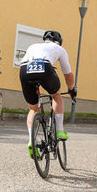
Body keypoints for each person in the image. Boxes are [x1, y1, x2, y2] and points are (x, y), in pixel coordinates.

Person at [18, 30, 77, 158]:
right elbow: (68, 76)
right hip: (44, 65)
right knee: (56, 96)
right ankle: (60, 130)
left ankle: (31, 140)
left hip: (24, 68)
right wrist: (72, 89)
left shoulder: (33, 46)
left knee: (33, 108)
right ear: (59, 42)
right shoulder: (59, 49)